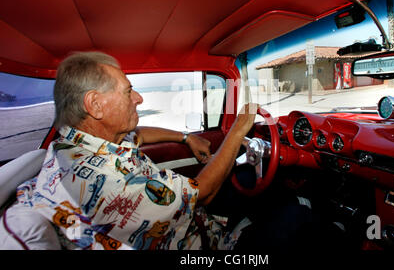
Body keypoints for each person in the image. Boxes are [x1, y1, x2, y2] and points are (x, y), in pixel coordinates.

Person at [15, 51, 261, 250]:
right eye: (127, 91)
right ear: (95, 105)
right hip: (197, 241)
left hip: (190, 221)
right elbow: (204, 193)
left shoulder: (78, 143)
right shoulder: (107, 182)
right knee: (290, 218)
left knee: (248, 182)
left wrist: (187, 137)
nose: (139, 98)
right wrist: (237, 132)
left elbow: (139, 133)